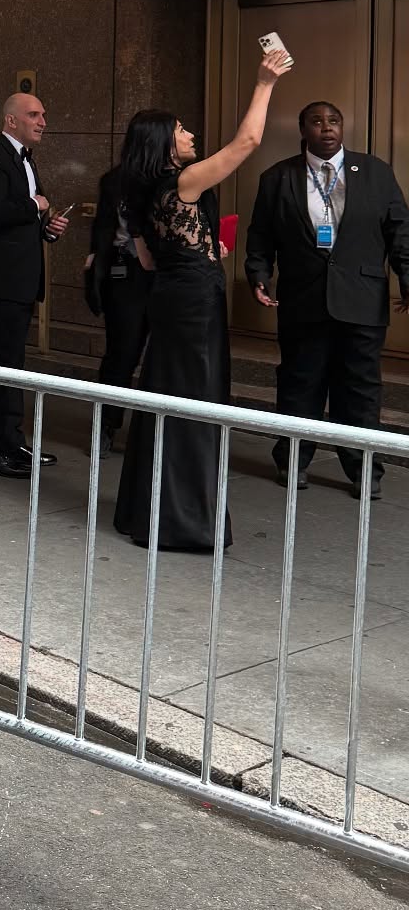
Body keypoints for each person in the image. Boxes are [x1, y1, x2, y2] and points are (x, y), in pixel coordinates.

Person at [113, 50, 292, 551]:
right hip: (194, 305)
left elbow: (150, 262)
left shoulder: (140, 191)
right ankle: (184, 521)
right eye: (182, 129)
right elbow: (249, 141)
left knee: (163, 399)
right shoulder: (182, 182)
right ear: (165, 145)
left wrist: (202, 252)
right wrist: (263, 82)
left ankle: (144, 511)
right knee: (195, 402)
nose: (191, 134)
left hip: (172, 299)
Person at [245, 100, 409, 500]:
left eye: (333, 120)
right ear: (303, 130)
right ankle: (293, 459)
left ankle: (364, 468)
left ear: (342, 127)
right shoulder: (277, 177)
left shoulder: (374, 171)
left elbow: (399, 229)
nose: (326, 127)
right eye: (316, 122)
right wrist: (259, 274)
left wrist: (407, 278)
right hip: (303, 300)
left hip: (362, 299)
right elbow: (261, 235)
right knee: (301, 384)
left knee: (360, 389)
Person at [0, 93, 70, 479]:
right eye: (34, 115)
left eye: (43, 114)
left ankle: (11, 440)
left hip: (21, 278)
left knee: (14, 366)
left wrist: (49, 229)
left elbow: (24, 218)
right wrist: (36, 207)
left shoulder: (26, 159)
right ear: (11, 121)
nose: (43, 121)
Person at [84, 161, 152, 453]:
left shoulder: (181, 178)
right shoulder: (115, 180)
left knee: (164, 357)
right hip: (126, 272)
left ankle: (153, 432)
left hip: (170, 275)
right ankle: (107, 424)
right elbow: (102, 225)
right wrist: (96, 259)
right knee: (122, 353)